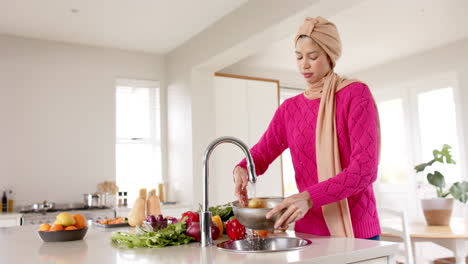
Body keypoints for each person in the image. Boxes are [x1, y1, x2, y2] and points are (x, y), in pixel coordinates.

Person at [233, 16, 381, 240]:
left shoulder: (355, 94)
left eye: (313, 56)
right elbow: (261, 154)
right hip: (309, 234)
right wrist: (243, 168)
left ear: (330, 56)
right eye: (299, 57)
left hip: (357, 231)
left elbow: (364, 170)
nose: (304, 64)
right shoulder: (289, 109)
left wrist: (309, 197)